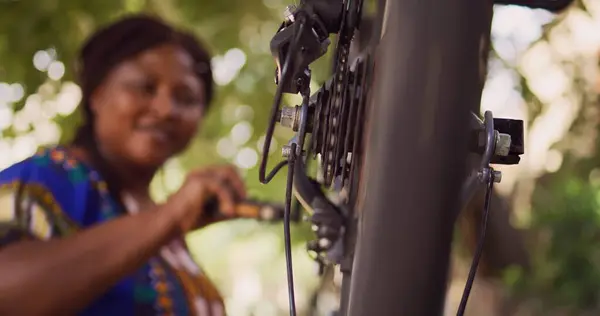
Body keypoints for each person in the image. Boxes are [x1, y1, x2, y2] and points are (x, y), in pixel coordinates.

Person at [0, 14, 244, 316]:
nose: (166, 109)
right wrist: (169, 216)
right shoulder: (45, 177)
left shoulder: (163, 222)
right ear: (97, 95)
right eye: (145, 88)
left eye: (187, 98)